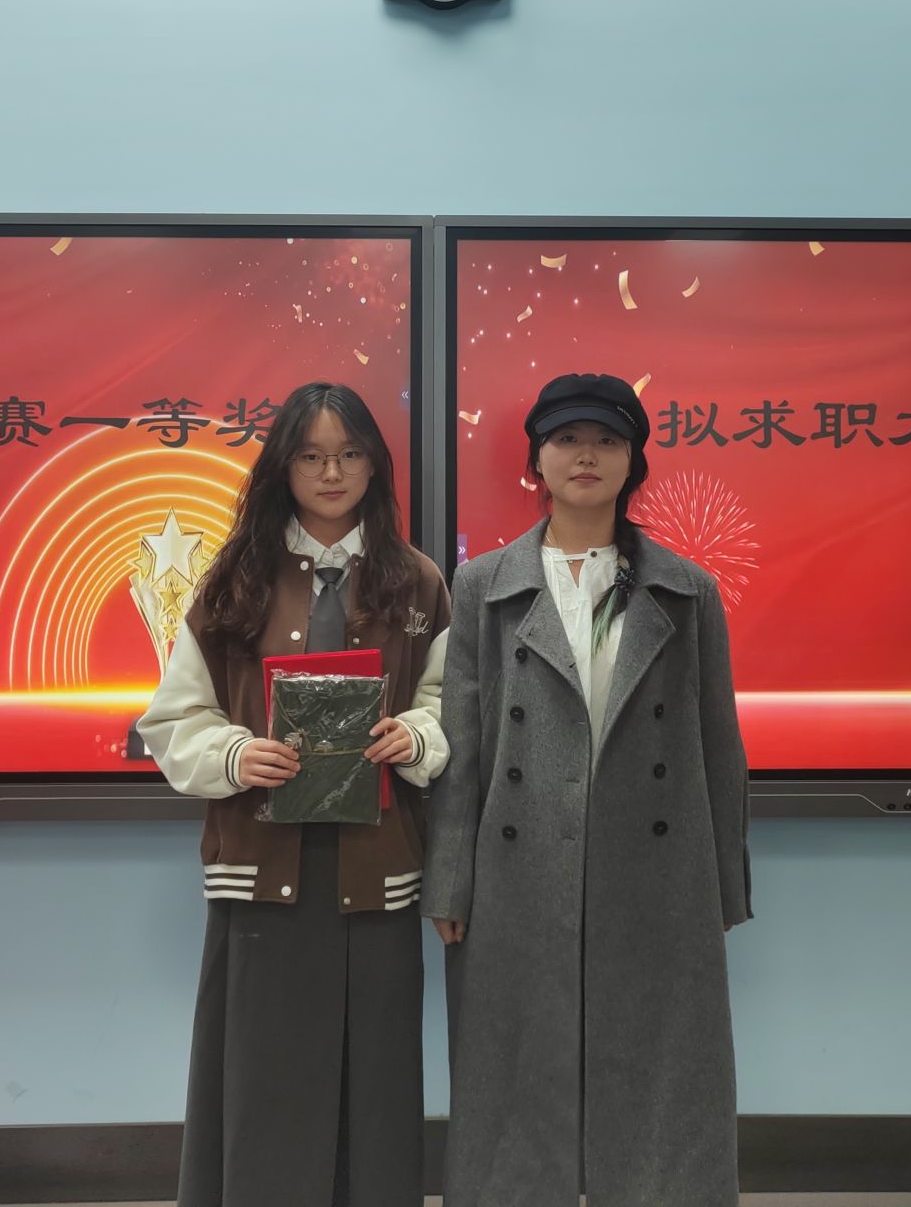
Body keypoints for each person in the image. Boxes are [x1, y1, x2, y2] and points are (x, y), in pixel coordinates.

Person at [421, 371, 751, 1207]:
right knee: (513, 1067)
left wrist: (722, 884)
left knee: (661, 1064)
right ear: (536, 458)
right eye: (567, 439)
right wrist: (449, 880)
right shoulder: (484, 585)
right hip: (517, 865)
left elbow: (719, 743)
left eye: (607, 440)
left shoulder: (688, 589)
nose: (586, 455)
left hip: (657, 865)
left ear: (634, 460)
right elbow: (464, 744)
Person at [136, 381, 451, 1207]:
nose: (331, 473)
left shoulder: (417, 582)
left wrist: (416, 737)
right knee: (262, 1086)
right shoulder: (232, 580)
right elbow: (173, 719)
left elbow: (454, 704)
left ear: (375, 466)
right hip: (262, 873)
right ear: (283, 467)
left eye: (349, 455)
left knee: (376, 1087)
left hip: (376, 873)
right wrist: (237, 754)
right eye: (311, 456)